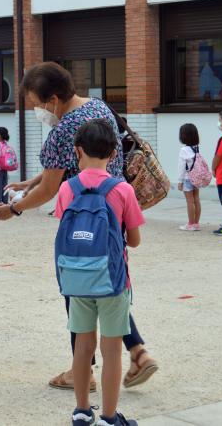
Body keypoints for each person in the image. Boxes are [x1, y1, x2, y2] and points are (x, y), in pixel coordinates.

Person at [0, 62, 158, 392]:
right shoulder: (97, 108)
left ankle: (81, 370)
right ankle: (137, 351)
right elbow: (68, 166)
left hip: (80, 220)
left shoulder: (62, 130)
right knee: (110, 284)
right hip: (113, 214)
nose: (38, 110)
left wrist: (14, 208)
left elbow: (51, 188)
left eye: (37, 104)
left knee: (79, 282)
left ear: (53, 98)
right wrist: (33, 179)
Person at [55, 120, 144, 426]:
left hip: (77, 281)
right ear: (114, 151)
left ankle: (81, 411)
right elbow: (133, 239)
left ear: (78, 150)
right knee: (112, 351)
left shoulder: (67, 188)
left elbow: (67, 230)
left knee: (82, 346)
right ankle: (108, 416)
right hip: (113, 282)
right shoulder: (122, 189)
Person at [177, 123, 202, 231]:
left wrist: (180, 181)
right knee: (196, 199)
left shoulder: (184, 150)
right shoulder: (196, 148)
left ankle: (190, 224)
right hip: (196, 177)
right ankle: (196, 223)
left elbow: (181, 167)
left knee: (189, 201)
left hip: (187, 178)